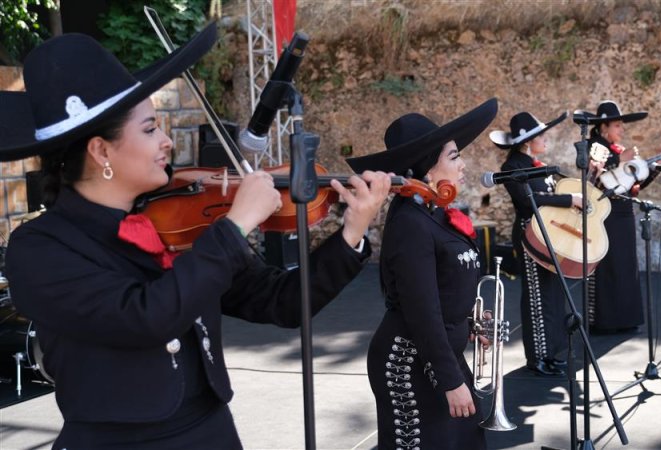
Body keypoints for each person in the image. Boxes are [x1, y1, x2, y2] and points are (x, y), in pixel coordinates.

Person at [0, 24, 392, 449]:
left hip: (211, 433)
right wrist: (233, 227)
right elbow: (145, 317)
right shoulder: (40, 249)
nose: (167, 142)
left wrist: (352, 229)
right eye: (150, 129)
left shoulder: (177, 226)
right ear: (101, 151)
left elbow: (282, 302)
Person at [346, 98, 498, 450]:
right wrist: (451, 382)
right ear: (428, 170)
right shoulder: (410, 223)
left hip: (439, 353)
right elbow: (421, 310)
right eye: (455, 157)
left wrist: (471, 323)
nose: (463, 166)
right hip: (409, 362)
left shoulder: (437, 215)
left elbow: (446, 290)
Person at [489, 111, 580, 377]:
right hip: (530, 236)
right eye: (542, 136)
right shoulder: (512, 167)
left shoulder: (533, 163)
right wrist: (567, 200)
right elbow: (527, 200)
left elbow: (546, 195)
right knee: (537, 297)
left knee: (553, 295)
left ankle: (552, 353)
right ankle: (538, 356)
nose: (546, 139)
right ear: (528, 141)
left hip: (548, 235)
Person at [585, 100, 654, 334]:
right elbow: (594, 175)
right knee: (609, 265)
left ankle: (625, 317)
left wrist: (653, 168)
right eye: (617, 126)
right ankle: (605, 320)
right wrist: (620, 160)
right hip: (606, 214)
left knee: (626, 265)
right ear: (604, 127)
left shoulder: (617, 149)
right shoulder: (594, 145)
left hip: (624, 212)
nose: (621, 130)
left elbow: (632, 184)